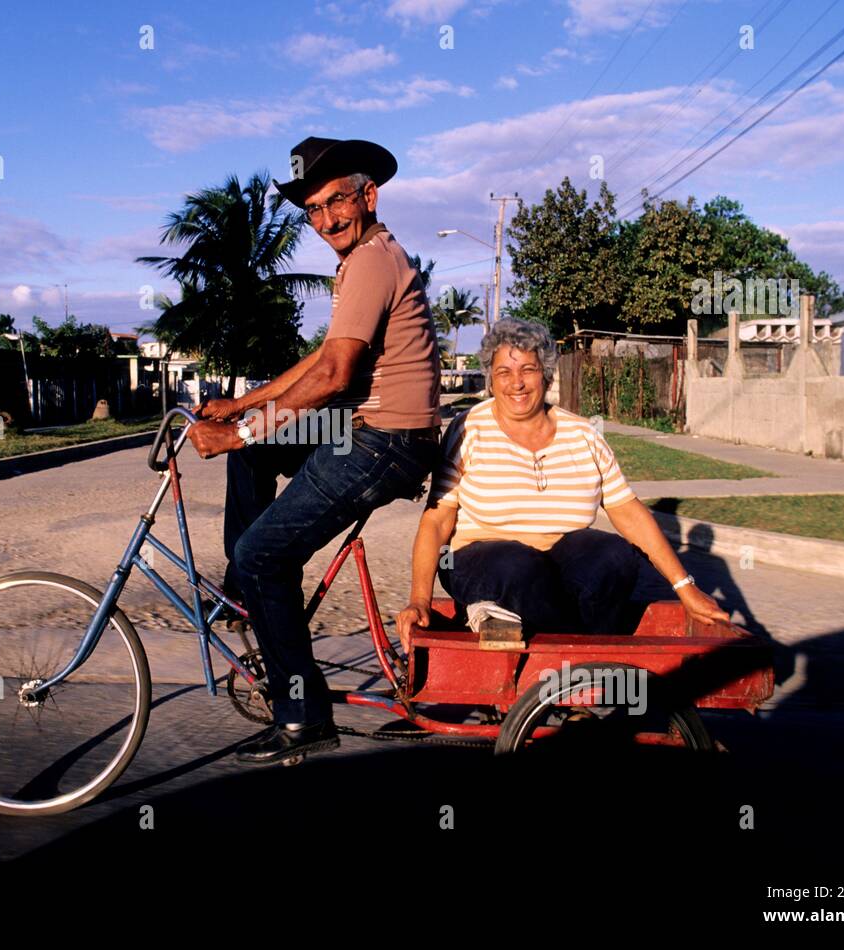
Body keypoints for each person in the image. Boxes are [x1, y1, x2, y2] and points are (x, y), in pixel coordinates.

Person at [187, 137, 442, 764]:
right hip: (368, 427)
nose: (326, 220)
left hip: (383, 440)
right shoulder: (362, 260)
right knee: (254, 463)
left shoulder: (373, 261)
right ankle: (248, 591)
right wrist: (245, 409)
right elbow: (318, 361)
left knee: (262, 553)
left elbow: (332, 374)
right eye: (313, 211)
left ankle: (303, 717)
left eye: (335, 202)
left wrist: (237, 432)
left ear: (367, 195)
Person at [396, 318, 727, 652]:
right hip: (481, 561)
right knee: (519, 565)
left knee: (616, 557)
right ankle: (582, 662)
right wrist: (419, 600)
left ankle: (562, 661)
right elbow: (437, 519)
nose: (517, 383)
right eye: (504, 372)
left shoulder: (582, 435)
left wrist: (686, 588)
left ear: (546, 373)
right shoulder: (469, 430)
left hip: (558, 565)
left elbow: (627, 510)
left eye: (528, 369)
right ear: (491, 380)